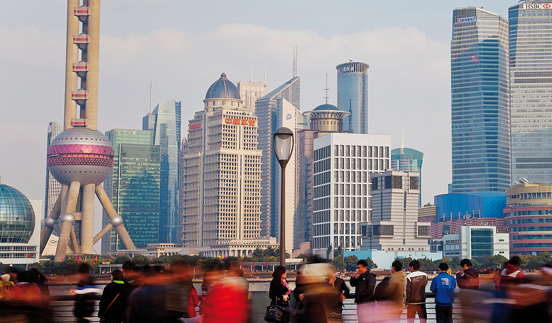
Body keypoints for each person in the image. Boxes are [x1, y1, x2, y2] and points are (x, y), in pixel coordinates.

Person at [456, 259, 479, 323]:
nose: (462, 269)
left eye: (462, 267)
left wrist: (458, 275)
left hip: (466, 298)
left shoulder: (467, 274)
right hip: (474, 298)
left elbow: (460, 284)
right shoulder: (475, 274)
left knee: (466, 317)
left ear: (465, 265)